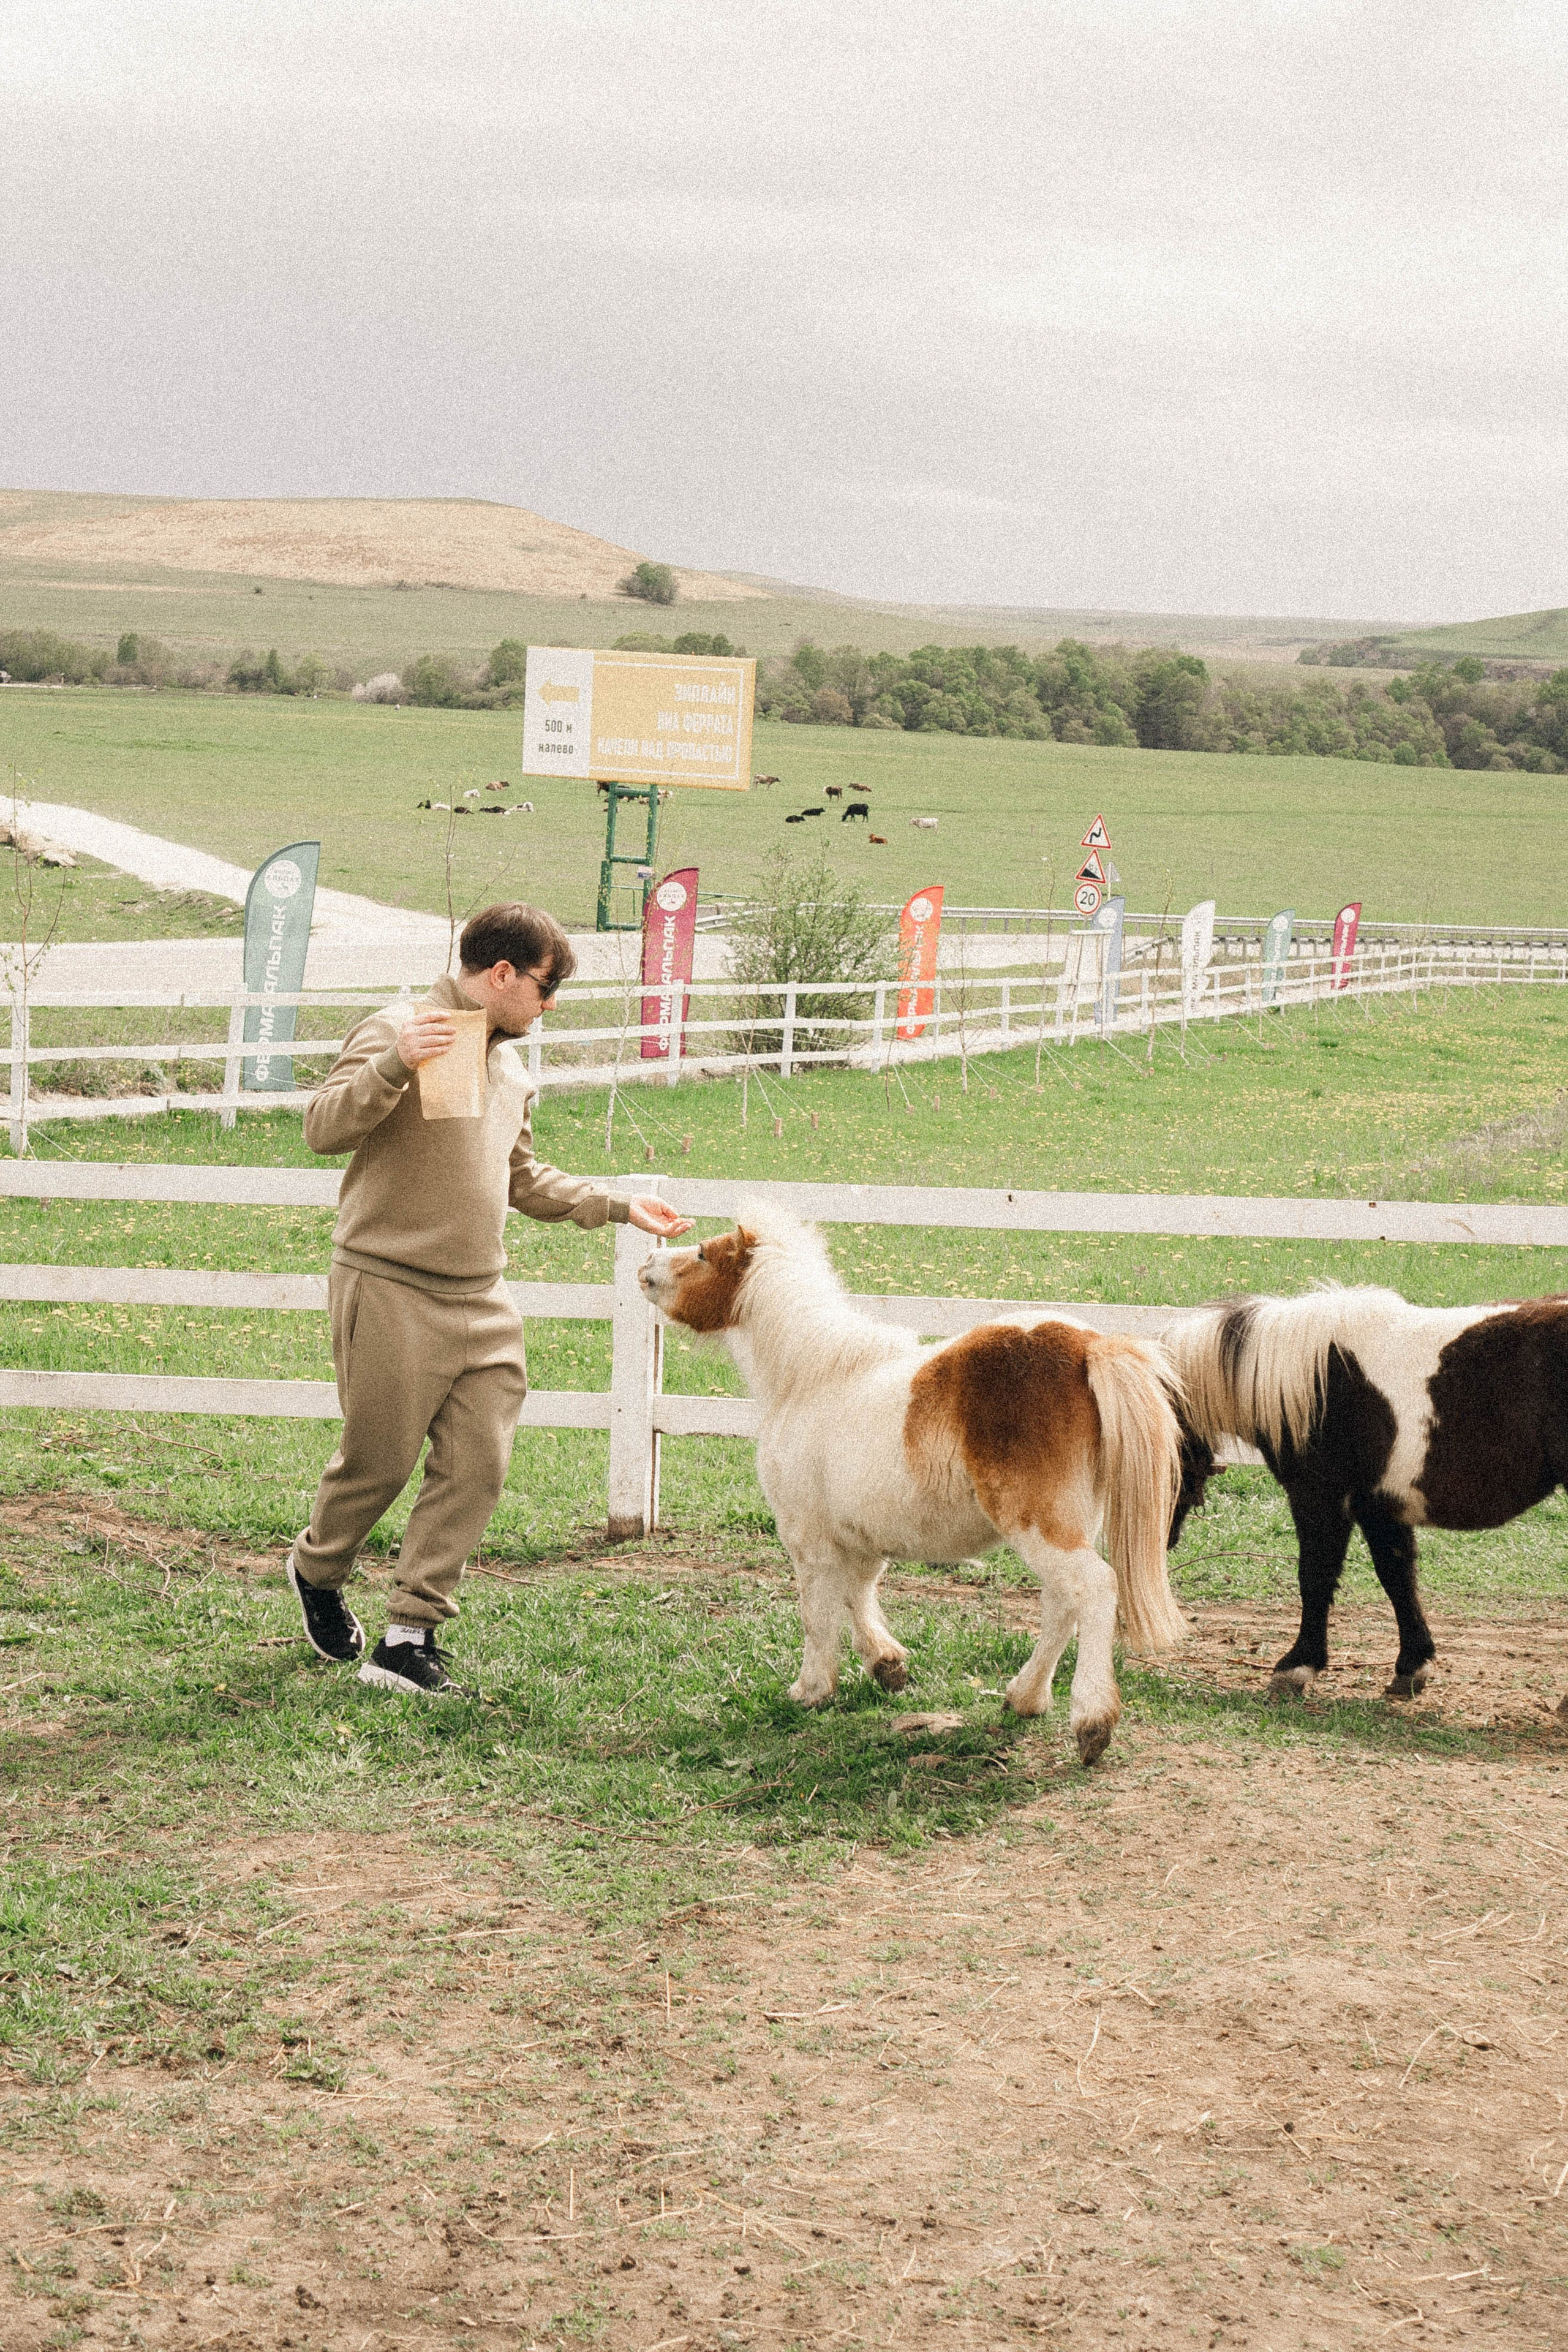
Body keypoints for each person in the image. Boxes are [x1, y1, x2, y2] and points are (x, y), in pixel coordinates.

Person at [285, 900, 692, 1695]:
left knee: (479, 1465)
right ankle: (317, 1568)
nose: (550, 1006)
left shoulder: (511, 1067)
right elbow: (322, 1129)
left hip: (483, 1301)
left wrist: (615, 1205)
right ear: (501, 974)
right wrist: (395, 1064)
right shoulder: (398, 1029)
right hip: (389, 1286)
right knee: (378, 1465)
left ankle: (408, 1638)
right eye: (546, 988)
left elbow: (522, 1180)